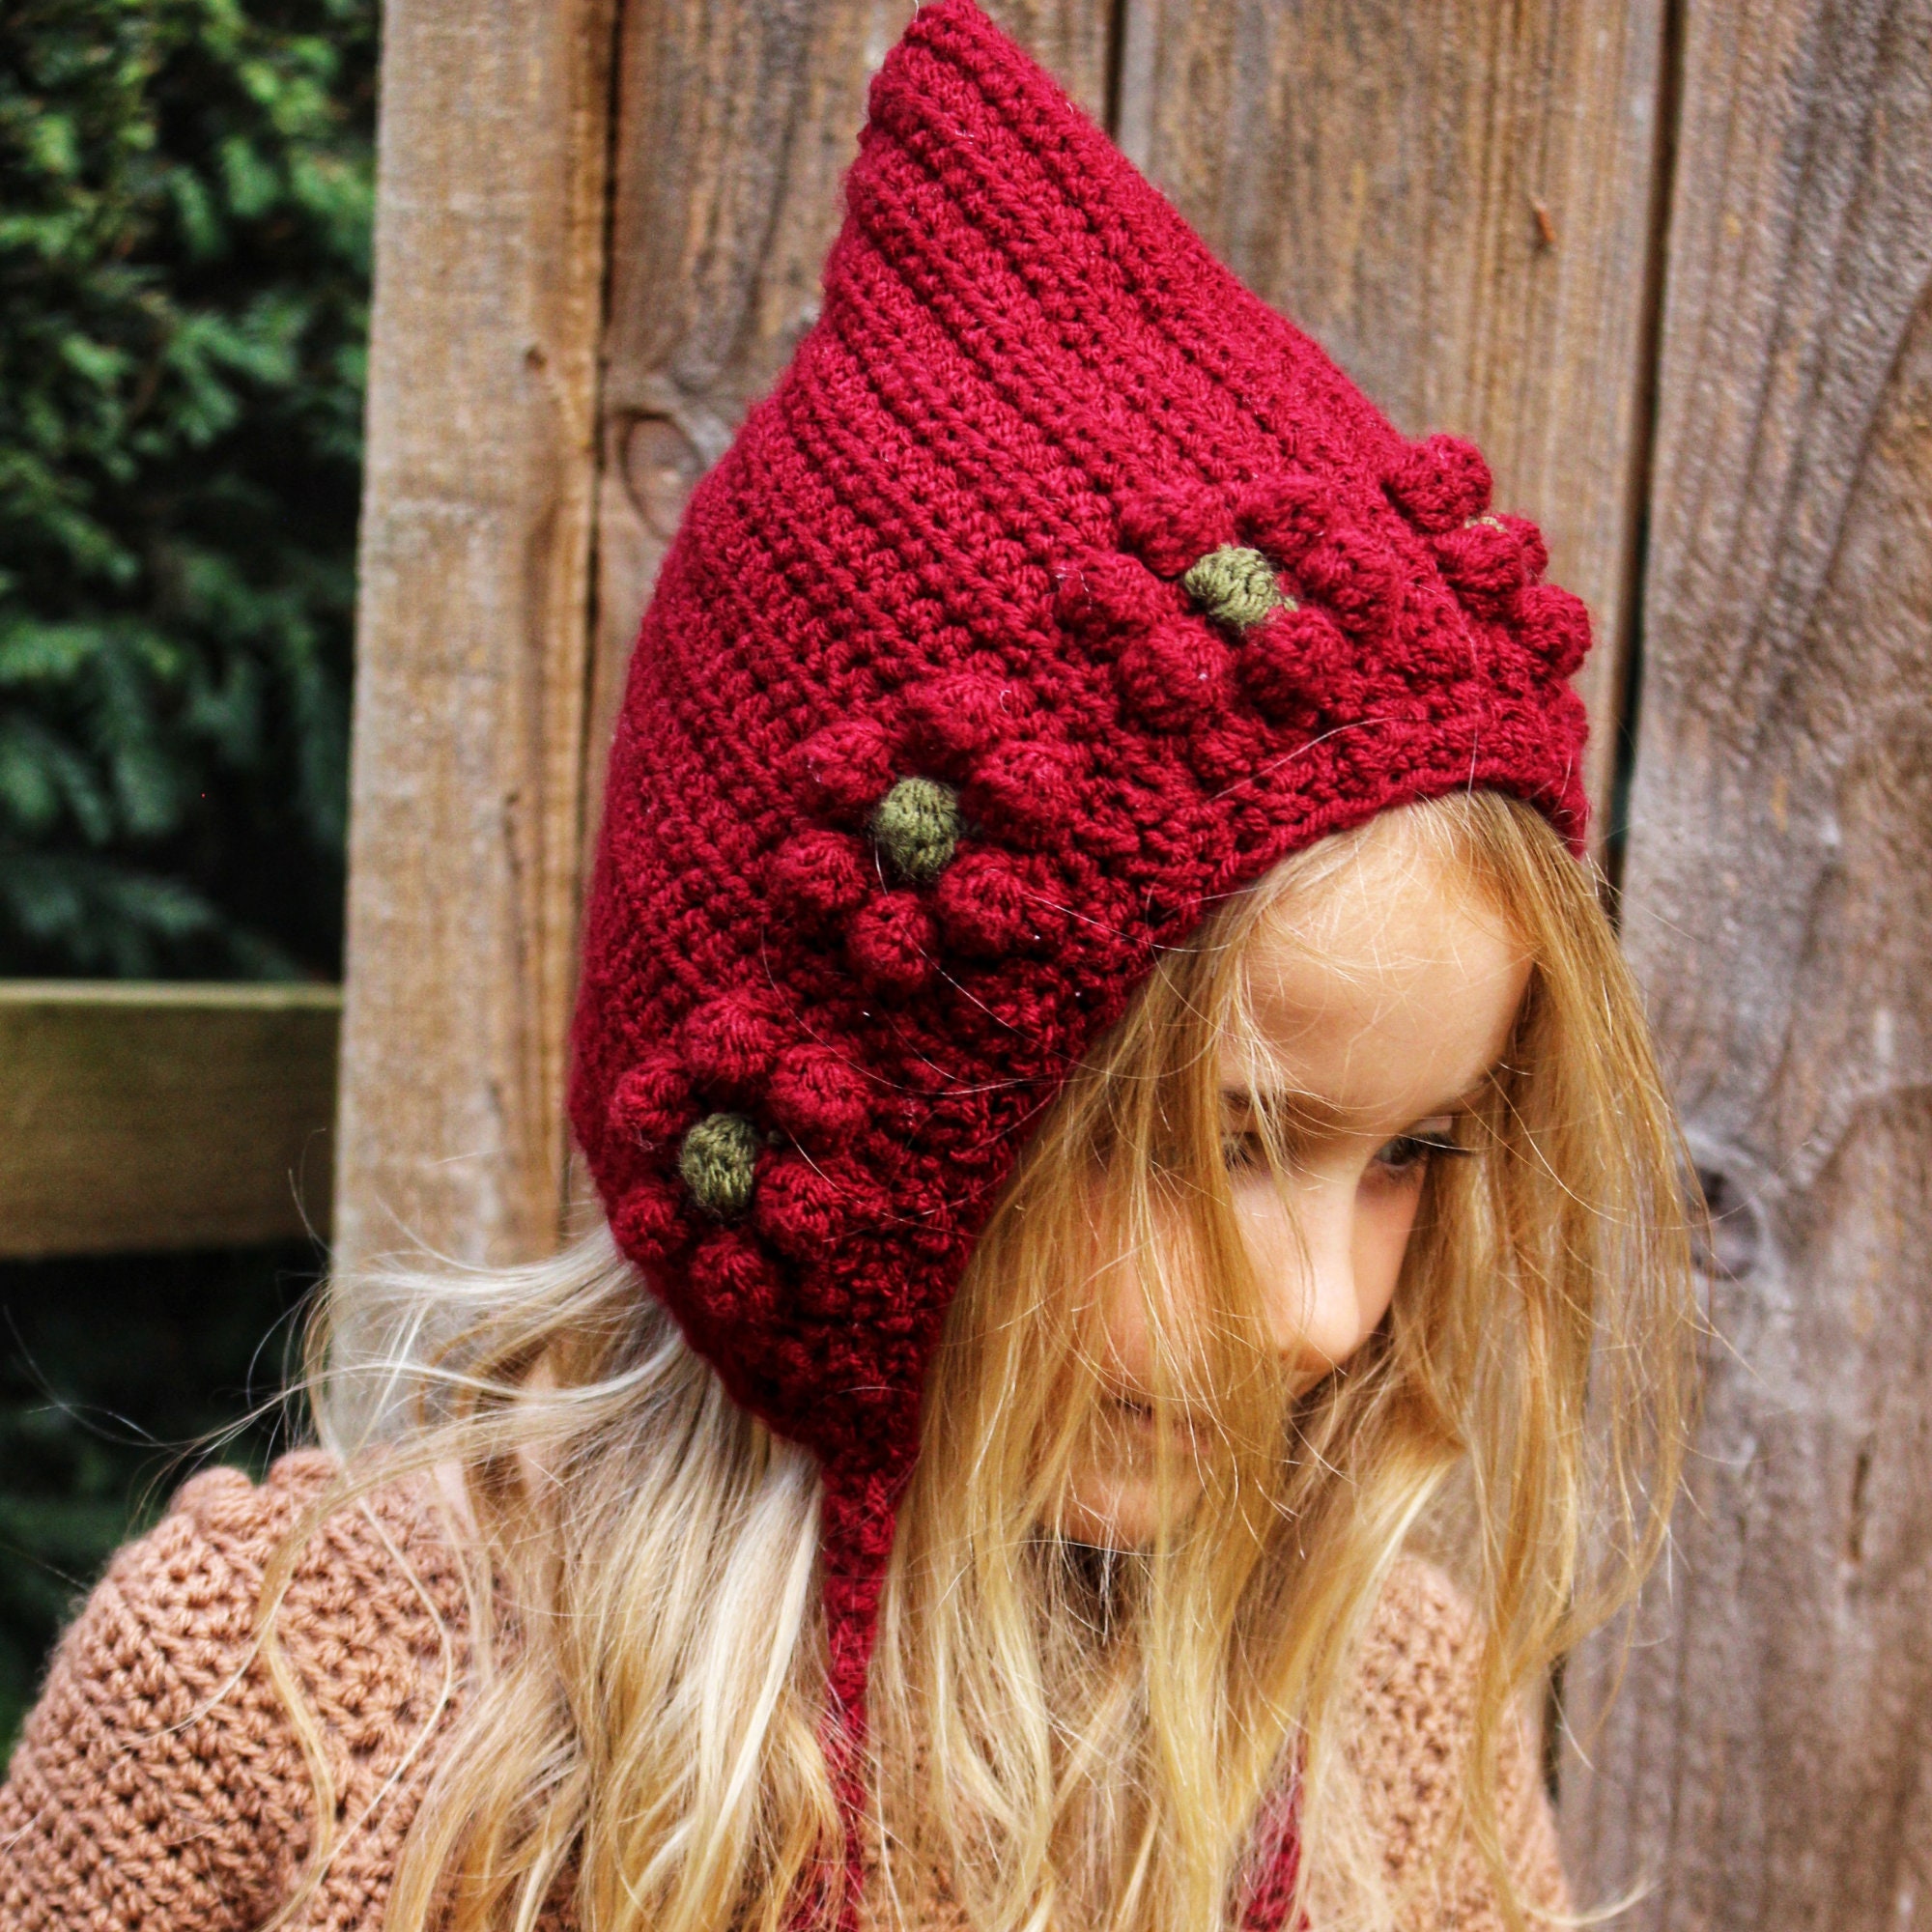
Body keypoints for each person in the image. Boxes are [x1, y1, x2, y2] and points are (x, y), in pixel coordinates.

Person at [0, 6, 1697, 1930]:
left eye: (1410, 1154)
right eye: (1219, 1140)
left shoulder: (1380, 1706)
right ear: (836, 1125)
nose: (1320, 1316)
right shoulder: (286, 1702)